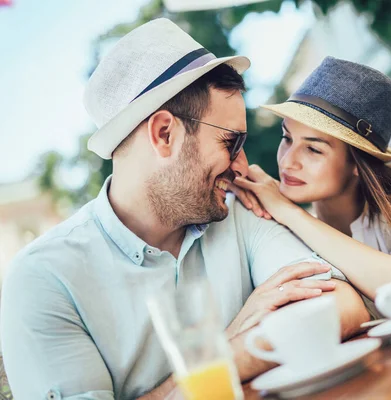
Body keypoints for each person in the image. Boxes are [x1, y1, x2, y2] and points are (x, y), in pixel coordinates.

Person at [0, 20, 369, 400]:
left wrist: (214, 365)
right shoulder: (44, 281)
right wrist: (221, 349)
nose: (242, 166)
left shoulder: (238, 210)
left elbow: (341, 305)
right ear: (164, 134)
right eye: (231, 141)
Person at [230, 57, 391, 319]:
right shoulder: (290, 230)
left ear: (357, 162)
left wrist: (289, 212)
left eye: (313, 149)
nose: (287, 161)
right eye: (287, 138)